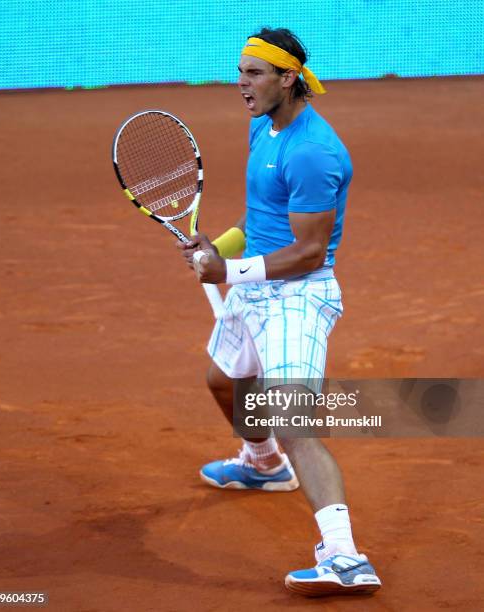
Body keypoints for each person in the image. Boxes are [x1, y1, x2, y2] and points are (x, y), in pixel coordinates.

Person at [177, 28, 381, 597]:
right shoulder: (262, 128)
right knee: (224, 382)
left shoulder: (313, 152)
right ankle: (263, 465)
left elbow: (311, 251)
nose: (240, 84)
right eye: (240, 72)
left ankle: (345, 558)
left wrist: (231, 272)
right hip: (256, 284)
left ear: (288, 78)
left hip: (297, 294)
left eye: (254, 74)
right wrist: (217, 248)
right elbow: (262, 219)